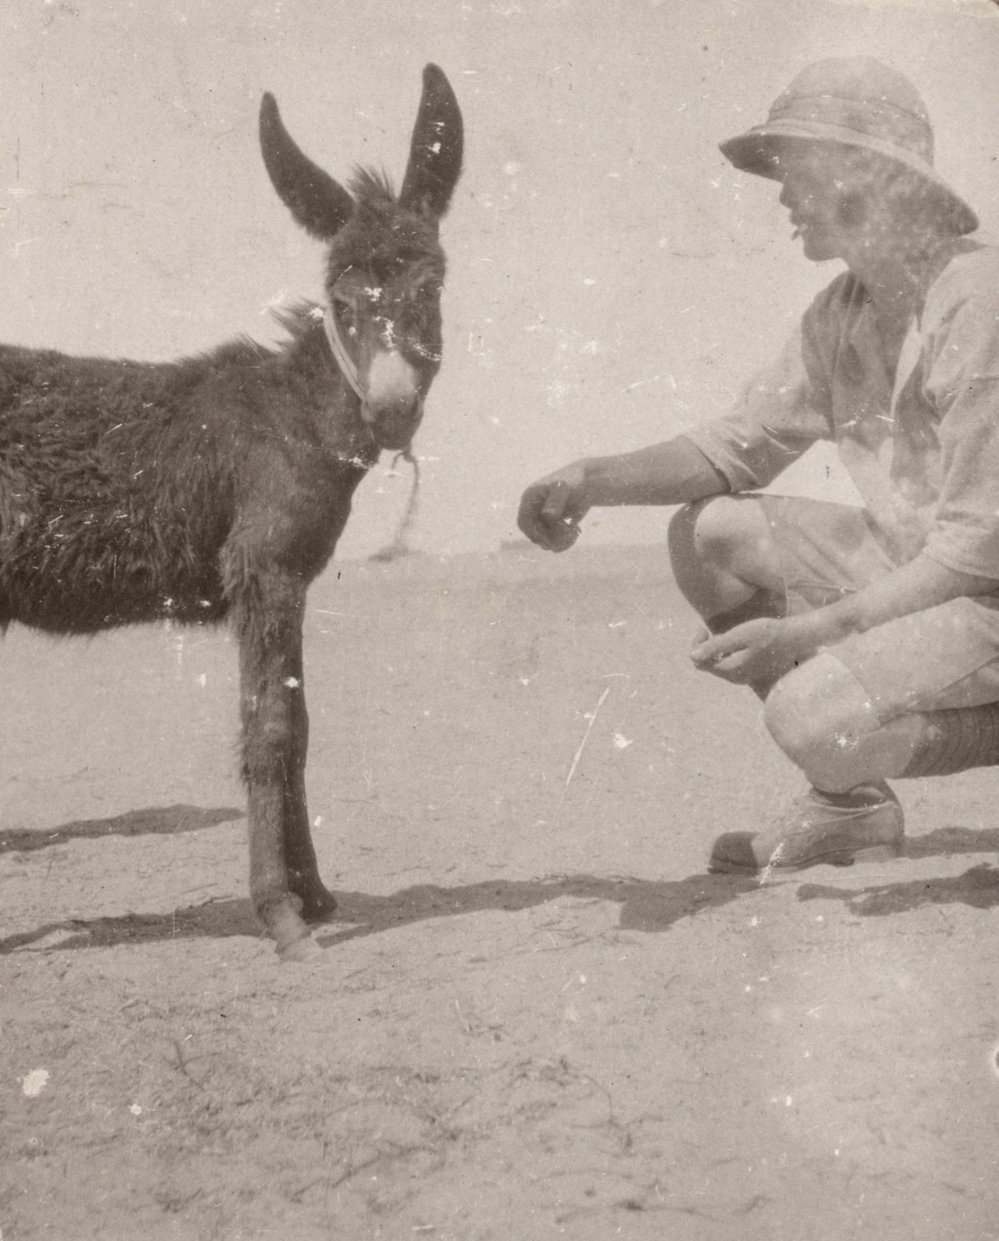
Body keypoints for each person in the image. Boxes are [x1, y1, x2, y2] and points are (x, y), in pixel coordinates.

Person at [517, 57, 999, 874]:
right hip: (938, 582)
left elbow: (974, 548)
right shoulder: (841, 312)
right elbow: (733, 447)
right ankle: (849, 809)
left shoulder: (977, 300)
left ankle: (839, 753)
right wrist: (590, 477)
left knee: (815, 718)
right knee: (711, 532)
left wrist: (805, 636)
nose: (781, 197)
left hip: (982, 585)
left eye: (794, 172)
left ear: (864, 177)